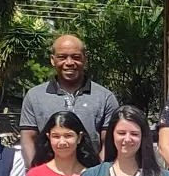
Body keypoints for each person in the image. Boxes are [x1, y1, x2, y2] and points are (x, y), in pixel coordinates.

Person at [19, 34, 120, 165]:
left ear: (85, 60)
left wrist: (98, 173)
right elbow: (28, 137)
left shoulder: (105, 97)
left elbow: (109, 140)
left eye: (76, 57)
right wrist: (34, 171)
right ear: (52, 60)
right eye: (62, 57)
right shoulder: (34, 96)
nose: (69, 63)